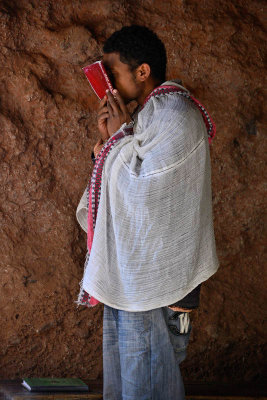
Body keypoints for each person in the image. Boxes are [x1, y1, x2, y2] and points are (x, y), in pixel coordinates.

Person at [76, 25, 219, 400]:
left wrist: (120, 137)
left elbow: (145, 190)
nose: (107, 86)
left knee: (148, 390)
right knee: (130, 387)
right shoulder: (146, 118)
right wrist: (110, 142)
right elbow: (120, 190)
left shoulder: (176, 116)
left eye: (113, 73)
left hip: (158, 289)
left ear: (142, 72)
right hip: (131, 281)